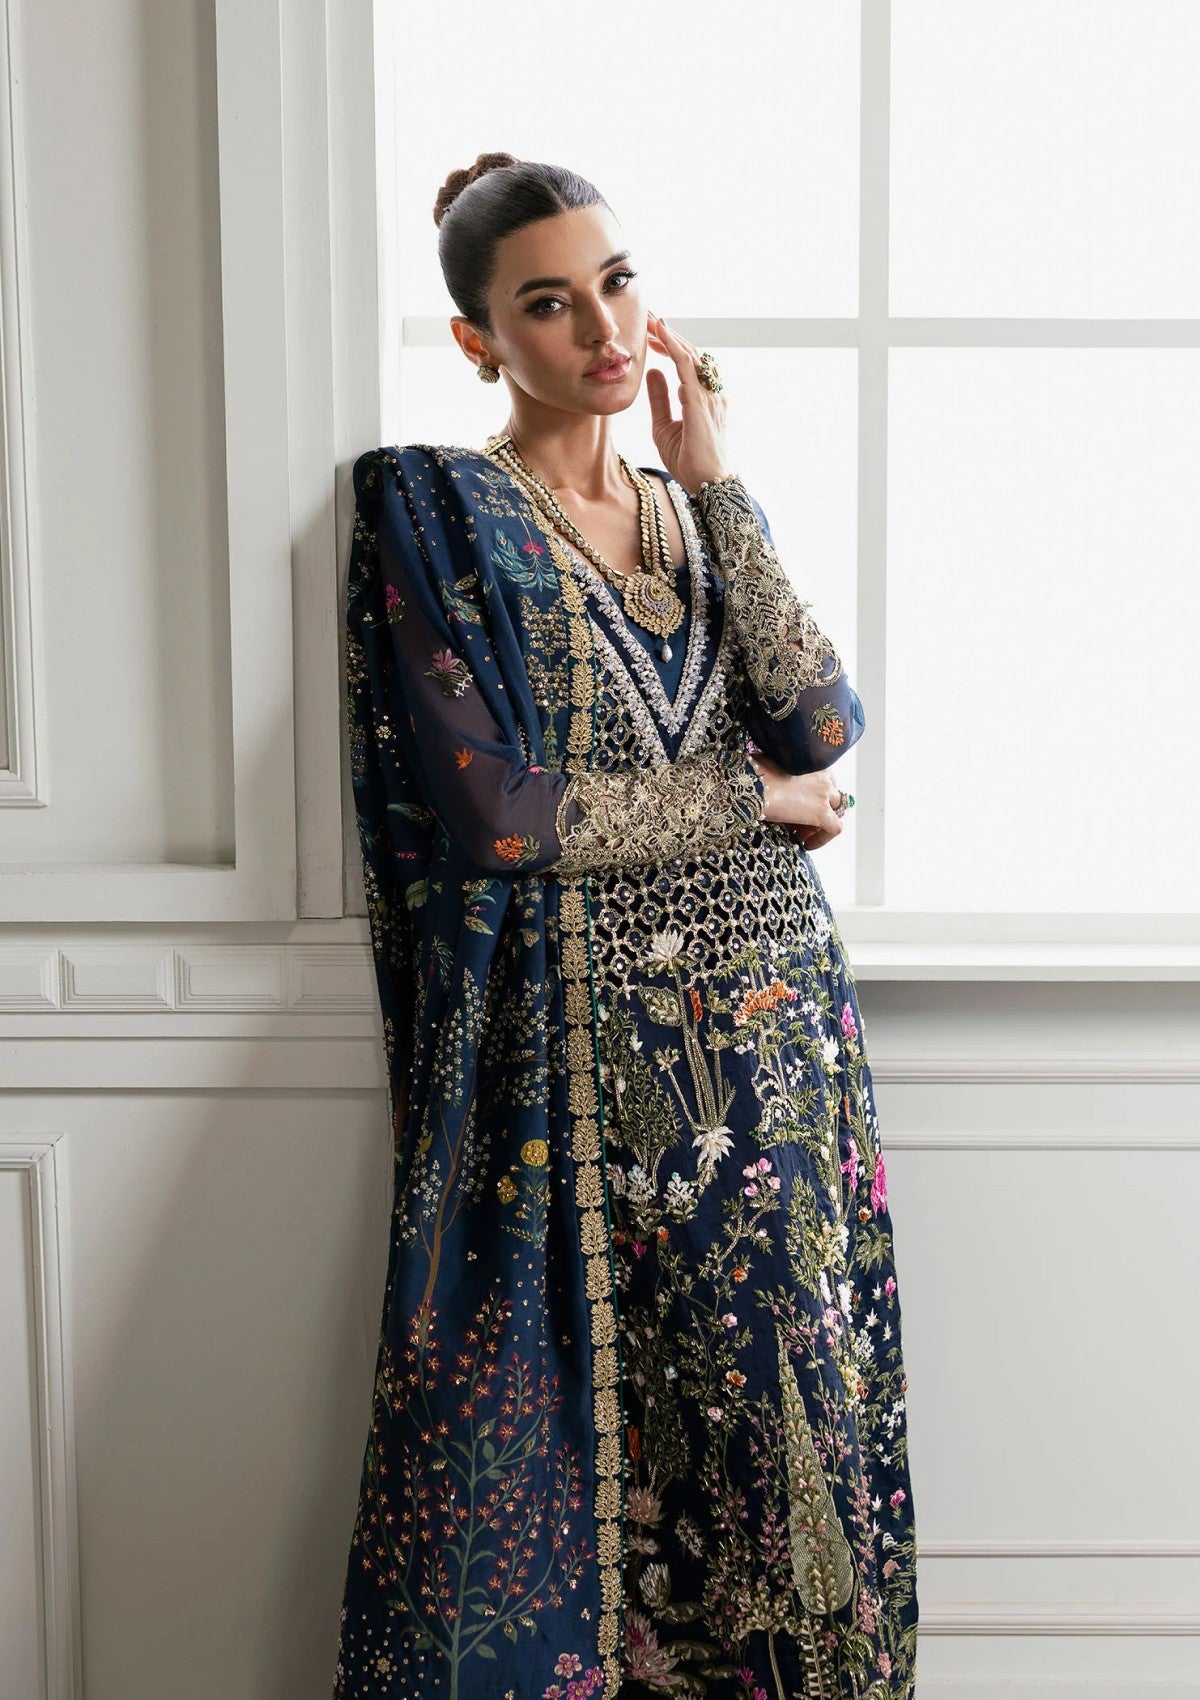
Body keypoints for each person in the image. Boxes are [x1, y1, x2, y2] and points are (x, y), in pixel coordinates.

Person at [334, 152, 918, 1700]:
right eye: (548, 303)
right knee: (650, 1421)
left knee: (787, 1410)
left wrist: (713, 475)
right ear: (478, 341)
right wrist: (748, 801)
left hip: (780, 1044)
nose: (601, 327)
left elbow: (821, 724)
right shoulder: (443, 513)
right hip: (599, 1051)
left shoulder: (690, 514)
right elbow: (500, 813)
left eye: (617, 282)